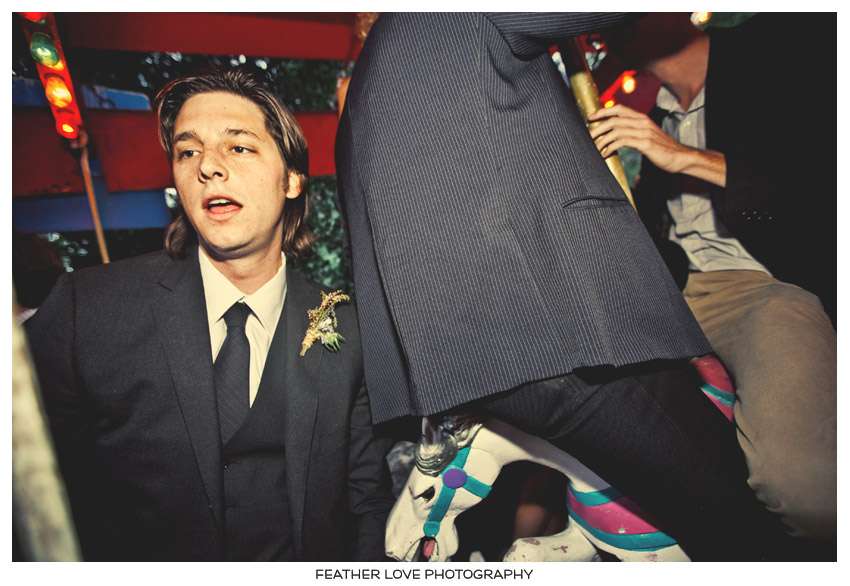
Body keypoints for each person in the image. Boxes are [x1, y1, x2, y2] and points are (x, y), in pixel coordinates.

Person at [336, 13, 796, 561]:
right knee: (736, 525)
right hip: (555, 325)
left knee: (745, 492)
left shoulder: (379, 76)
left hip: (489, 340)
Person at [25, 70, 394, 561]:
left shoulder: (346, 326)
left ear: (291, 180)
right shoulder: (87, 309)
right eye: (187, 152)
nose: (208, 167)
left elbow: (365, 499)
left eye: (238, 147)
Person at [589, 13, 836, 544]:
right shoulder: (653, 113)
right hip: (669, 291)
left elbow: (818, 184)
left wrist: (683, 156)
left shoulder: (783, 51)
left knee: (807, 491)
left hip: (758, 287)